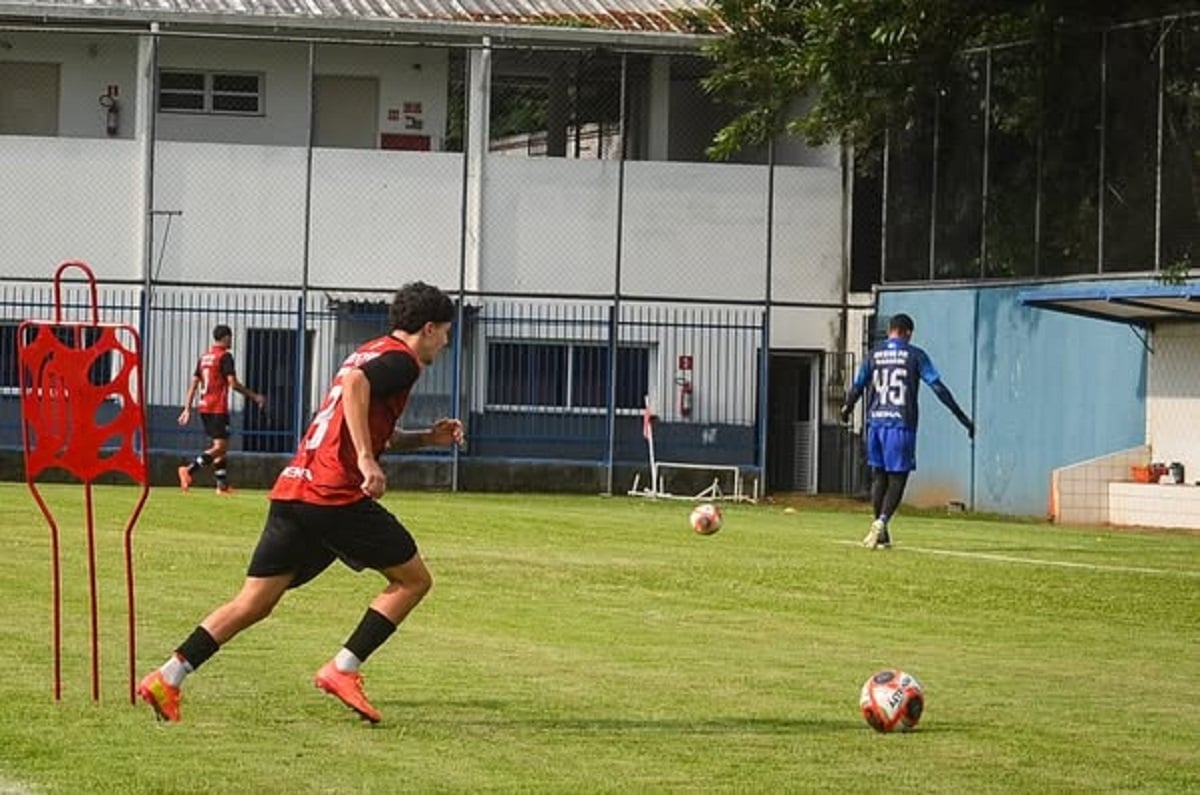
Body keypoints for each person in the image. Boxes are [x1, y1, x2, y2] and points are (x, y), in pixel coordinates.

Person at [139, 282, 462, 724]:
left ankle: (168, 676)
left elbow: (357, 406)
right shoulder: (402, 362)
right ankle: (342, 669)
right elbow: (354, 386)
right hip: (333, 493)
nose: (446, 342)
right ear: (427, 329)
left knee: (254, 601)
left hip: (294, 488)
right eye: (445, 332)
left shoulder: (369, 350)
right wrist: (367, 461)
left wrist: (427, 438)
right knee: (412, 581)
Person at [840, 313, 974, 549]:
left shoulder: (874, 354)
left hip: (876, 423)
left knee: (879, 477)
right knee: (897, 479)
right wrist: (961, 416)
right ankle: (881, 522)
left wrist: (847, 409)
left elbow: (858, 385)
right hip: (901, 424)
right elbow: (938, 388)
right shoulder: (915, 355)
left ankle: (880, 533)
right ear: (908, 332)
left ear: (890, 330)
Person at [177, 324, 266, 494]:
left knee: (220, 446)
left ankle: (222, 485)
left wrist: (187, 408)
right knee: (220, 447)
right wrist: (254, 396)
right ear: (225, 338)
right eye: (230, 337)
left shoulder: (204, 357)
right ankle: (189, 470)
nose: (231, 341)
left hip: (204, 407)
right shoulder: (225, 357)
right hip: (217, 407)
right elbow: (232, 383)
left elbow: (194, 384)